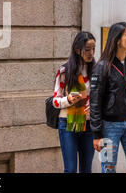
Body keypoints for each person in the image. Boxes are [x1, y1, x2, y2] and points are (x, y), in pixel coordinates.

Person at [90, 22, 126, 173]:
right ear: (117, 39)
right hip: (109, 126)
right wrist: (97, 134)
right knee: (108, 168)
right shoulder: (102, 67)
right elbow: (95, 102)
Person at [52, 31, 96, 173]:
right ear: (77, 50)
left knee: (86, 169)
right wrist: (68, 99)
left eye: (93, 49)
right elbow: (55, 101)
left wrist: (94, 105)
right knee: (70, 169)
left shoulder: (96, 71)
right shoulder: (65, 71)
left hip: (89, 124)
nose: (91, 53)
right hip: (67, 124)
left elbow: (101, 97)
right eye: (87, 49)